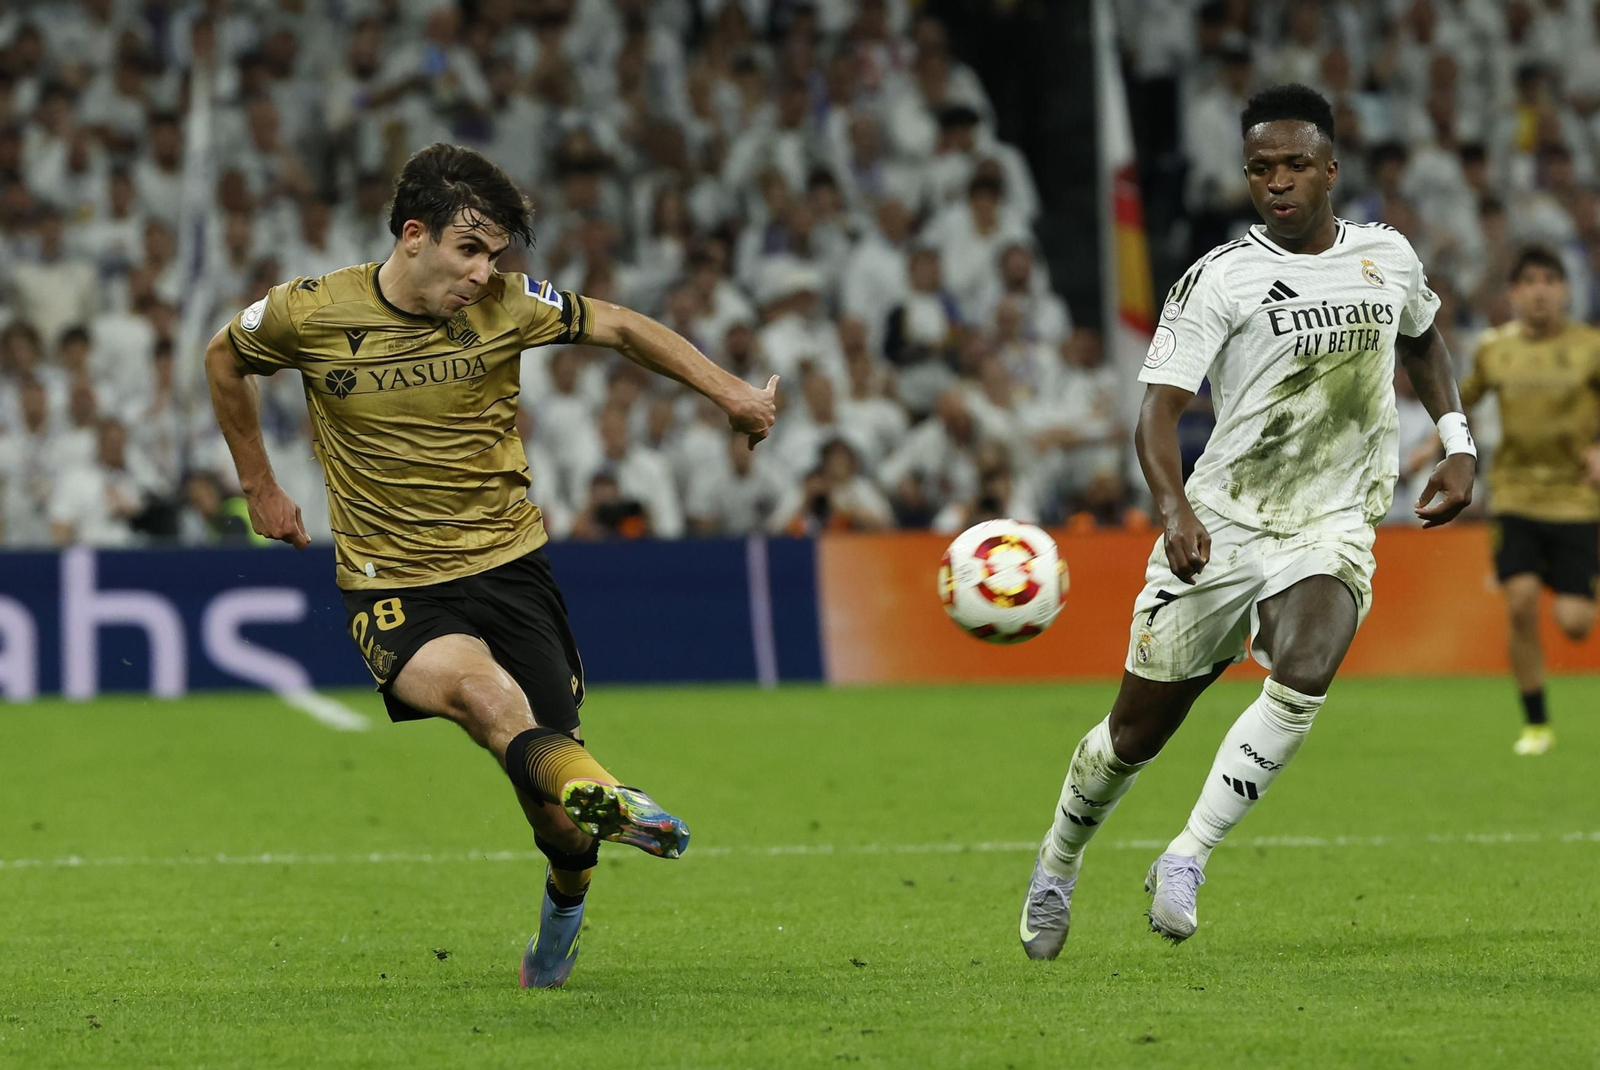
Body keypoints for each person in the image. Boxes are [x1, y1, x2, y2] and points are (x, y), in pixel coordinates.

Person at [204, 143, 778, 989]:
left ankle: (567, 893)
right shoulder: (308, 312)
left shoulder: (510, 305)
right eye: (470, 251)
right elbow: (224, 356)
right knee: (484, 698)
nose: (484, 272)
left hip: (511, 567)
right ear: (413, 236)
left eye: (496, 256)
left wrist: (728, 389)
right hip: (392, 582)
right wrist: (258, 484)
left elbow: (619, 325)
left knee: (559, 823)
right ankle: (606, 790)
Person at [1019, 85, 1476, 957]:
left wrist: (1458, 444)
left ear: (1332, 170)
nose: (1277, 181)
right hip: (1223, 524)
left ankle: (1188, 855)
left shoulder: (1388, 257)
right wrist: (1174, 509)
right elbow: (1156, 415)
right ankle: (1058, 860)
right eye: (1261, 168)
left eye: (1296, 164)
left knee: (1307, 666)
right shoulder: (1219, 278)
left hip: (1332, 520)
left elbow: (1423, 340)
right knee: (1130, 740)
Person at [1459, 248, 1600, 756]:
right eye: (1529, 281)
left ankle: (1552, 571)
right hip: (1516, 493)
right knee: (1519, 605)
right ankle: (1536, 725)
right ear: (1513, 293)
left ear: (1564, 290)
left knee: (1576, 625)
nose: (1539, 290)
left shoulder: (1591, 347)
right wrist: (1437, 443)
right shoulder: (1494, 348)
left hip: (1576, 502)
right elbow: (1462, 399)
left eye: (1549, 280)